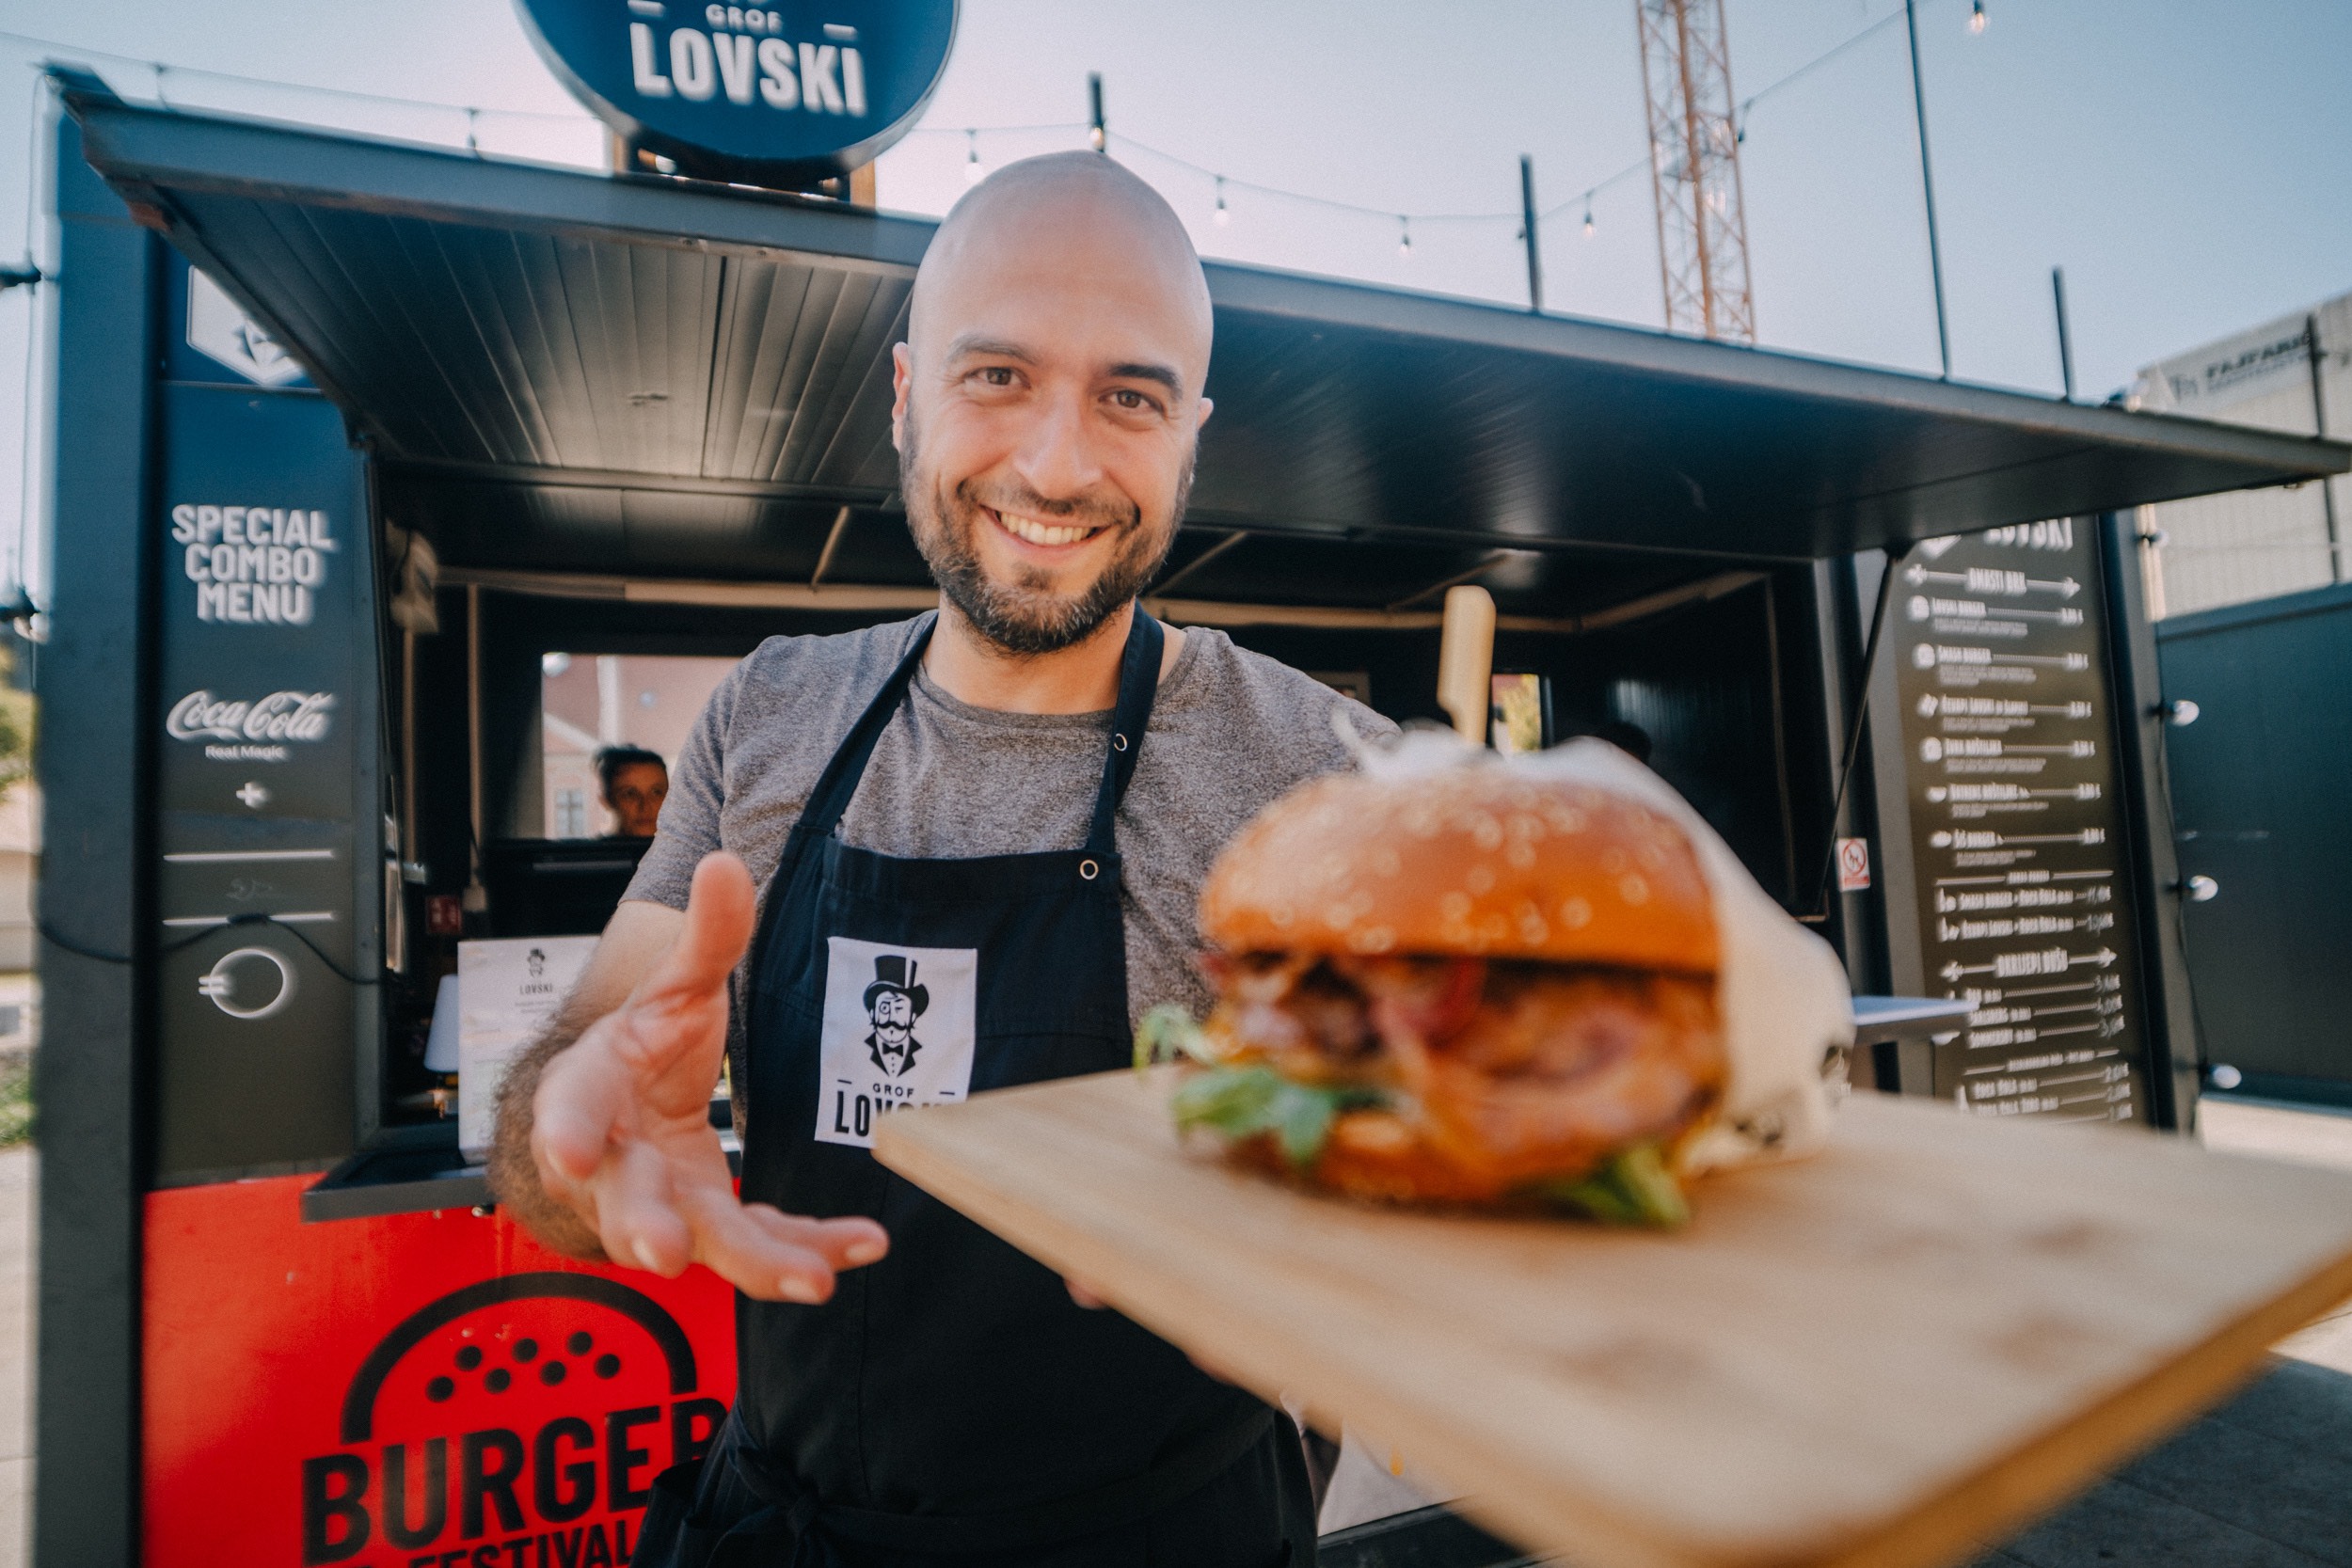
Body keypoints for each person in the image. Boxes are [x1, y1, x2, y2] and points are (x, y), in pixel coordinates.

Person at [488, 151, 1394, 1567]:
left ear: (1191, 433)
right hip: (783, 1528)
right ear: (907, 392)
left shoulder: (1332, 771)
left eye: (1130, 396)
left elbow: (1443, 1225)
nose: (1055, 462)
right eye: (997, 377)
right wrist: (582, 1140)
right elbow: (561, 1138)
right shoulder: (770, 711)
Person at [596, 744, 670, 838]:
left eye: (656, 792)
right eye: (630, 794)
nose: (645, 806)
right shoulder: (590, 852)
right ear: (606, 799)